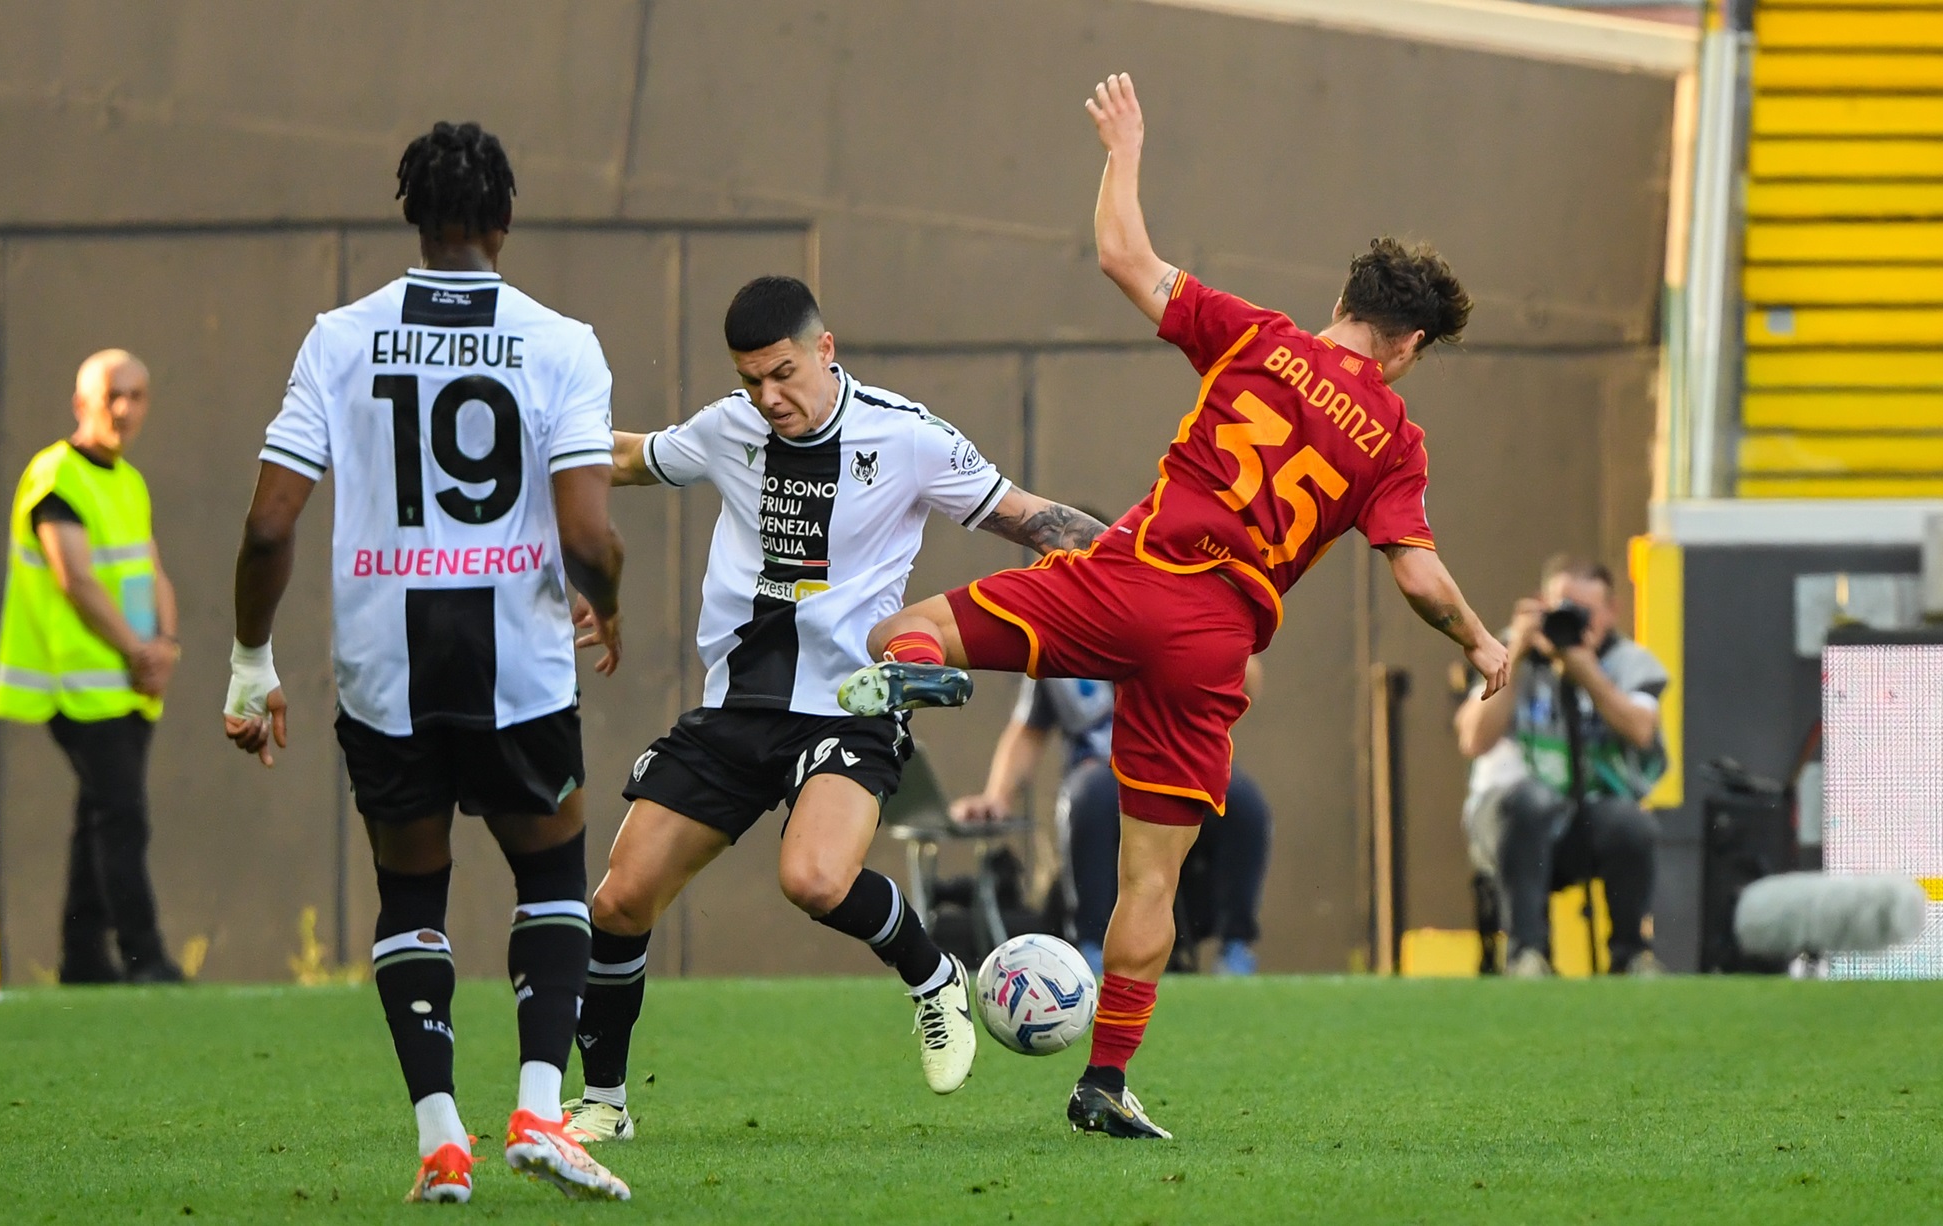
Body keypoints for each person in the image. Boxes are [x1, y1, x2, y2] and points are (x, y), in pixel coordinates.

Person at [839, 74, 1509, 1140]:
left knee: (899, 633)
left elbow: (1120, 256)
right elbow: (1417, 576)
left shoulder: (1253, 336)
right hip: (1213, 640)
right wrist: (1480, 638)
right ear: (1410, 345)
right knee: (1149, 877)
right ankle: (1102, 1081)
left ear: (1344, 301)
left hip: (1131, 573)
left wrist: (1126, 146)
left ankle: (932, 677)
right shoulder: (1393, 439)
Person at [562, 275, 1110, 1146]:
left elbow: (1034, 521)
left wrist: (1145, 572)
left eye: (783, 373)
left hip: (853, 705)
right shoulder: (728, 428)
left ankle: (931, 975)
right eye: (751, 380)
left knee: (813, 879)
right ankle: (604, 1106)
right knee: (619, 902)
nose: (768, 397)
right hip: (739, 707)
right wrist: (536, 438)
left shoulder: (910, 437)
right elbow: (629, 458)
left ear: (826, 349)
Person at [221, 122, 630, 1204]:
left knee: (411, 887)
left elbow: (268, 527)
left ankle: (439, 1134)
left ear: (414, 216)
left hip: (382, 671)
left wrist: (248, 661)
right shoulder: (560, 343)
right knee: (548, 875)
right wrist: (607, 604)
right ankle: (540, 1106)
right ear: (503, 221)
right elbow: (590, 537)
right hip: (517, 666)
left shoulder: (339, 338)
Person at [0, 349, 185, 986]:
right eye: (111, 395)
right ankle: (143, 956)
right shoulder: (56, 476)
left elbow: (151, 569)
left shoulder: (127, 480)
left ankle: (83, 960)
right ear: (81, 404)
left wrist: (168, 644)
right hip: (78, 684)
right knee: (122, 816)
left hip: (129, 684)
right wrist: (139, 650)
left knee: (99, 816)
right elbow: (75, 579)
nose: (124, 408)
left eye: (136, 394)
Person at [954, 660, 1273, 978]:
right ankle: (1091, 946)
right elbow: (1027, 730)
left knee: (1243, 803)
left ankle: (1236, 947)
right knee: (1090, 797)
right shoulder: (1065, 643)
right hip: (1101, 768)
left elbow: (1248, 684)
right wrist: (997, 796)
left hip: (1180, 766)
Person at [1454, 555, 1667, 978]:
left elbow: (1641, 730)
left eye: (1585, 611)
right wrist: (1515, 651)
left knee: (1630, 822)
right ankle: (1527, 955)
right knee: (1530, 802)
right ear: (1540, 604)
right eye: (1563, 609)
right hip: (1506, 822)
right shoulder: (1505, 649)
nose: (1574, 621)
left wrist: (1582, 667)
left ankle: (1631, 955)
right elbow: (1473, 738)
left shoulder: (1630, 662)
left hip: (1578, 822)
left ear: (1612, 611)